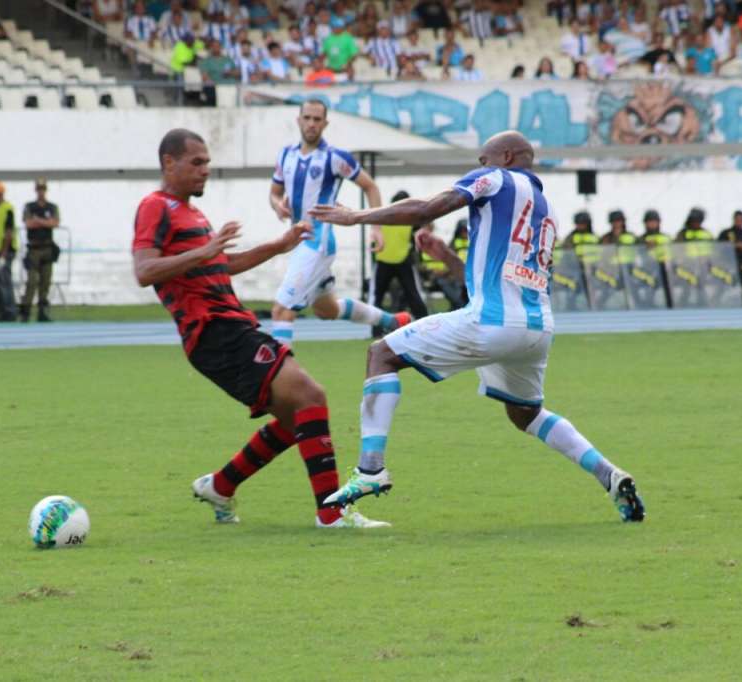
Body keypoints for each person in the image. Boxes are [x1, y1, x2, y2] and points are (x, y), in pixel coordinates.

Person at [309, 131, 645, 523]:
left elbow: (428, 208)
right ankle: (609, 475)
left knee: (381, 354)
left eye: (482, 159)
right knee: (526, 414)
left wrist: (357, 217)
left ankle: (370, 469)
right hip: (536, 330)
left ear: (503, 156)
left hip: (493, 323)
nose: (478, 167)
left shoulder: (497, 178)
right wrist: (448, 256)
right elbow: (514, 278)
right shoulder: (547, 211)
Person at [132, 128, 387, 529]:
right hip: (213, 332)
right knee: (309, 395)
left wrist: (279, 245)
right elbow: (144, 271)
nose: (205, 171)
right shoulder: (155, 206)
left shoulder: (192, 212)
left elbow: (221, 265)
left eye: (208, 163)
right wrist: (205, 250)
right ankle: (332, 513)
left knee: (297, 418)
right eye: (197, 162)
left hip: (231, 324)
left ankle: (220, 485)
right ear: (169, 163)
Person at [267, 99, 409, 348]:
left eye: (317, 119)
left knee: (282, 311)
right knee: (327, 310)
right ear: (298, 120)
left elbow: (370, 186)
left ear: (325, 123)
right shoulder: (285, 155)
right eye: (307, 118)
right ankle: (393, 321)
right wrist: (277, 204)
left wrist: (376, 228)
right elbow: (274, 193)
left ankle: (279, 380)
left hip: (317, 243)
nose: (311, 124)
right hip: (298, 243)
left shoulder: (335, 158)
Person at [368, 190, 429, 322]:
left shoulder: (382, 216)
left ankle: (375, 330)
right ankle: (424, 323)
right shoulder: (410, 219)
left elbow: (373, 237)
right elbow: (421, 234)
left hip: (383, 260)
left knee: (377, 297)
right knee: (413, 294)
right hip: (403, 260)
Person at [21, 179, 60, 323]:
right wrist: (44, 222)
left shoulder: (52, 207)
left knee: (45, 282)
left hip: (47, 248)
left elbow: (55, 223)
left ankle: (42, 312)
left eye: (43, 189)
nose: (41, 192)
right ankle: (25, 311)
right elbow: (28, 224)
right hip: (34, 248)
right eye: (39, 189)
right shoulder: (29, 207)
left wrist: (39, 220)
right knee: (32, 281)